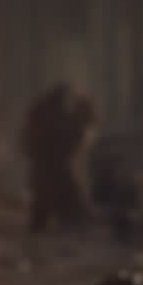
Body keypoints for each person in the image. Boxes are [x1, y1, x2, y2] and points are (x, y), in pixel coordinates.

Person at [21, 83, 99, 231]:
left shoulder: (49, 113)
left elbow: (71, 141)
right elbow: (70, 139)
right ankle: (63, 219)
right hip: (49, 165)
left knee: (48, 195)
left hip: (49, 165)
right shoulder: (51, 115)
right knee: (50, 195)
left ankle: (57, 219)